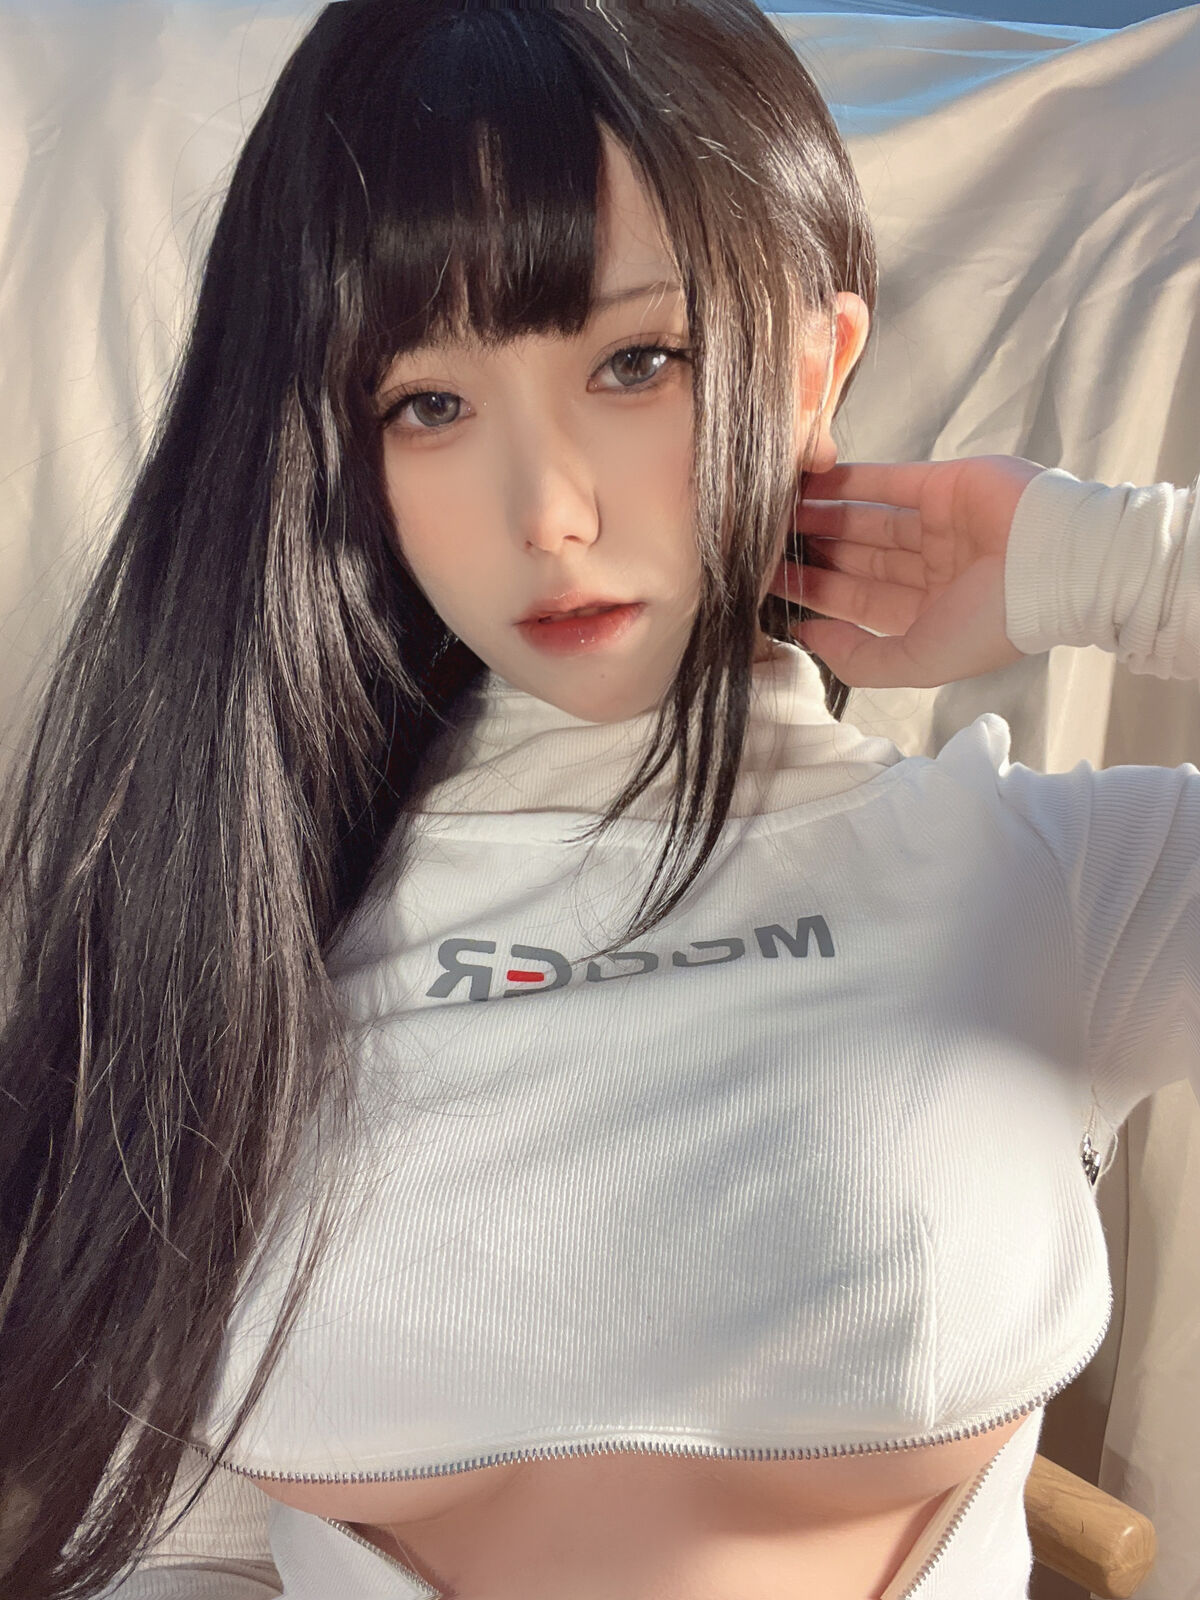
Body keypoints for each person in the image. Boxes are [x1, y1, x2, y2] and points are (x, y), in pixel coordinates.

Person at [0, 1, 1195, 1597]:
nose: (547, 511)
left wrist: (1106, 562)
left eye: (638, 362)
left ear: (815, 367)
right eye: (428, 403)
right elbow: (183, 1543)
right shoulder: (230, 917)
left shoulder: (1050, 884)